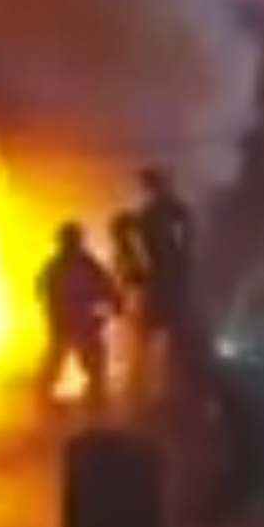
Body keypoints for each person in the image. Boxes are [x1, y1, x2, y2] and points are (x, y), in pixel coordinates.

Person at [125, 165, 205, 412]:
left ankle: (162, 389)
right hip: (165, 283)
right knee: (160, 337)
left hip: (167, 283)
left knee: (162, 338)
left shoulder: (164, 213)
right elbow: (139, 249)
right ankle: (149, 389)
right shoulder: (154, 214)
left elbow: (186, 239)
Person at [37, 222, 123, 414]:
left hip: (80, 320)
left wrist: (115, 302)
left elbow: (105, 284)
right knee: (58, 361)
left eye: (73, 240)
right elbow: (42, 290)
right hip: (69, 321)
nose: (72, 244)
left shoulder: (78, 264)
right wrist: (114, 302)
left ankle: (95, 399)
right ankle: (44, 399)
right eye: (70, 240)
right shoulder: (59, 266)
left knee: (91, 362)